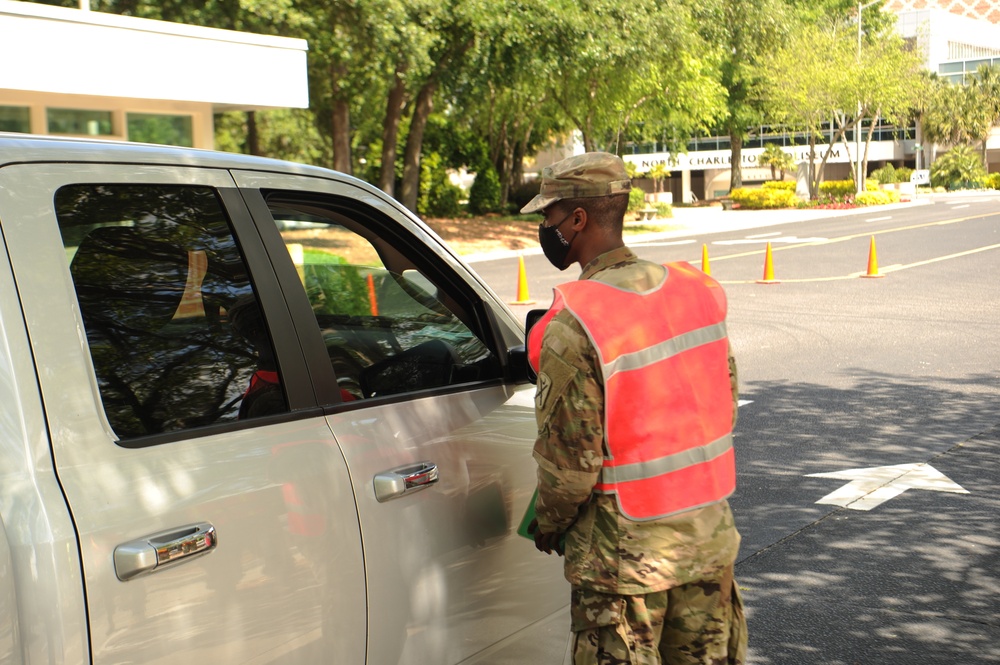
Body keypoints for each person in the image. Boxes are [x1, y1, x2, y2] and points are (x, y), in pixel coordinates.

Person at [522, 152, 747, 665]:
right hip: (708, 545)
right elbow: (723, 406)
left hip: (624, 567)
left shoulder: (576, 322)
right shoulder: (698, 292)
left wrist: (551, 523)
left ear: (577, 219)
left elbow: (571, 464)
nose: (544, 228)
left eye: (548, 216)